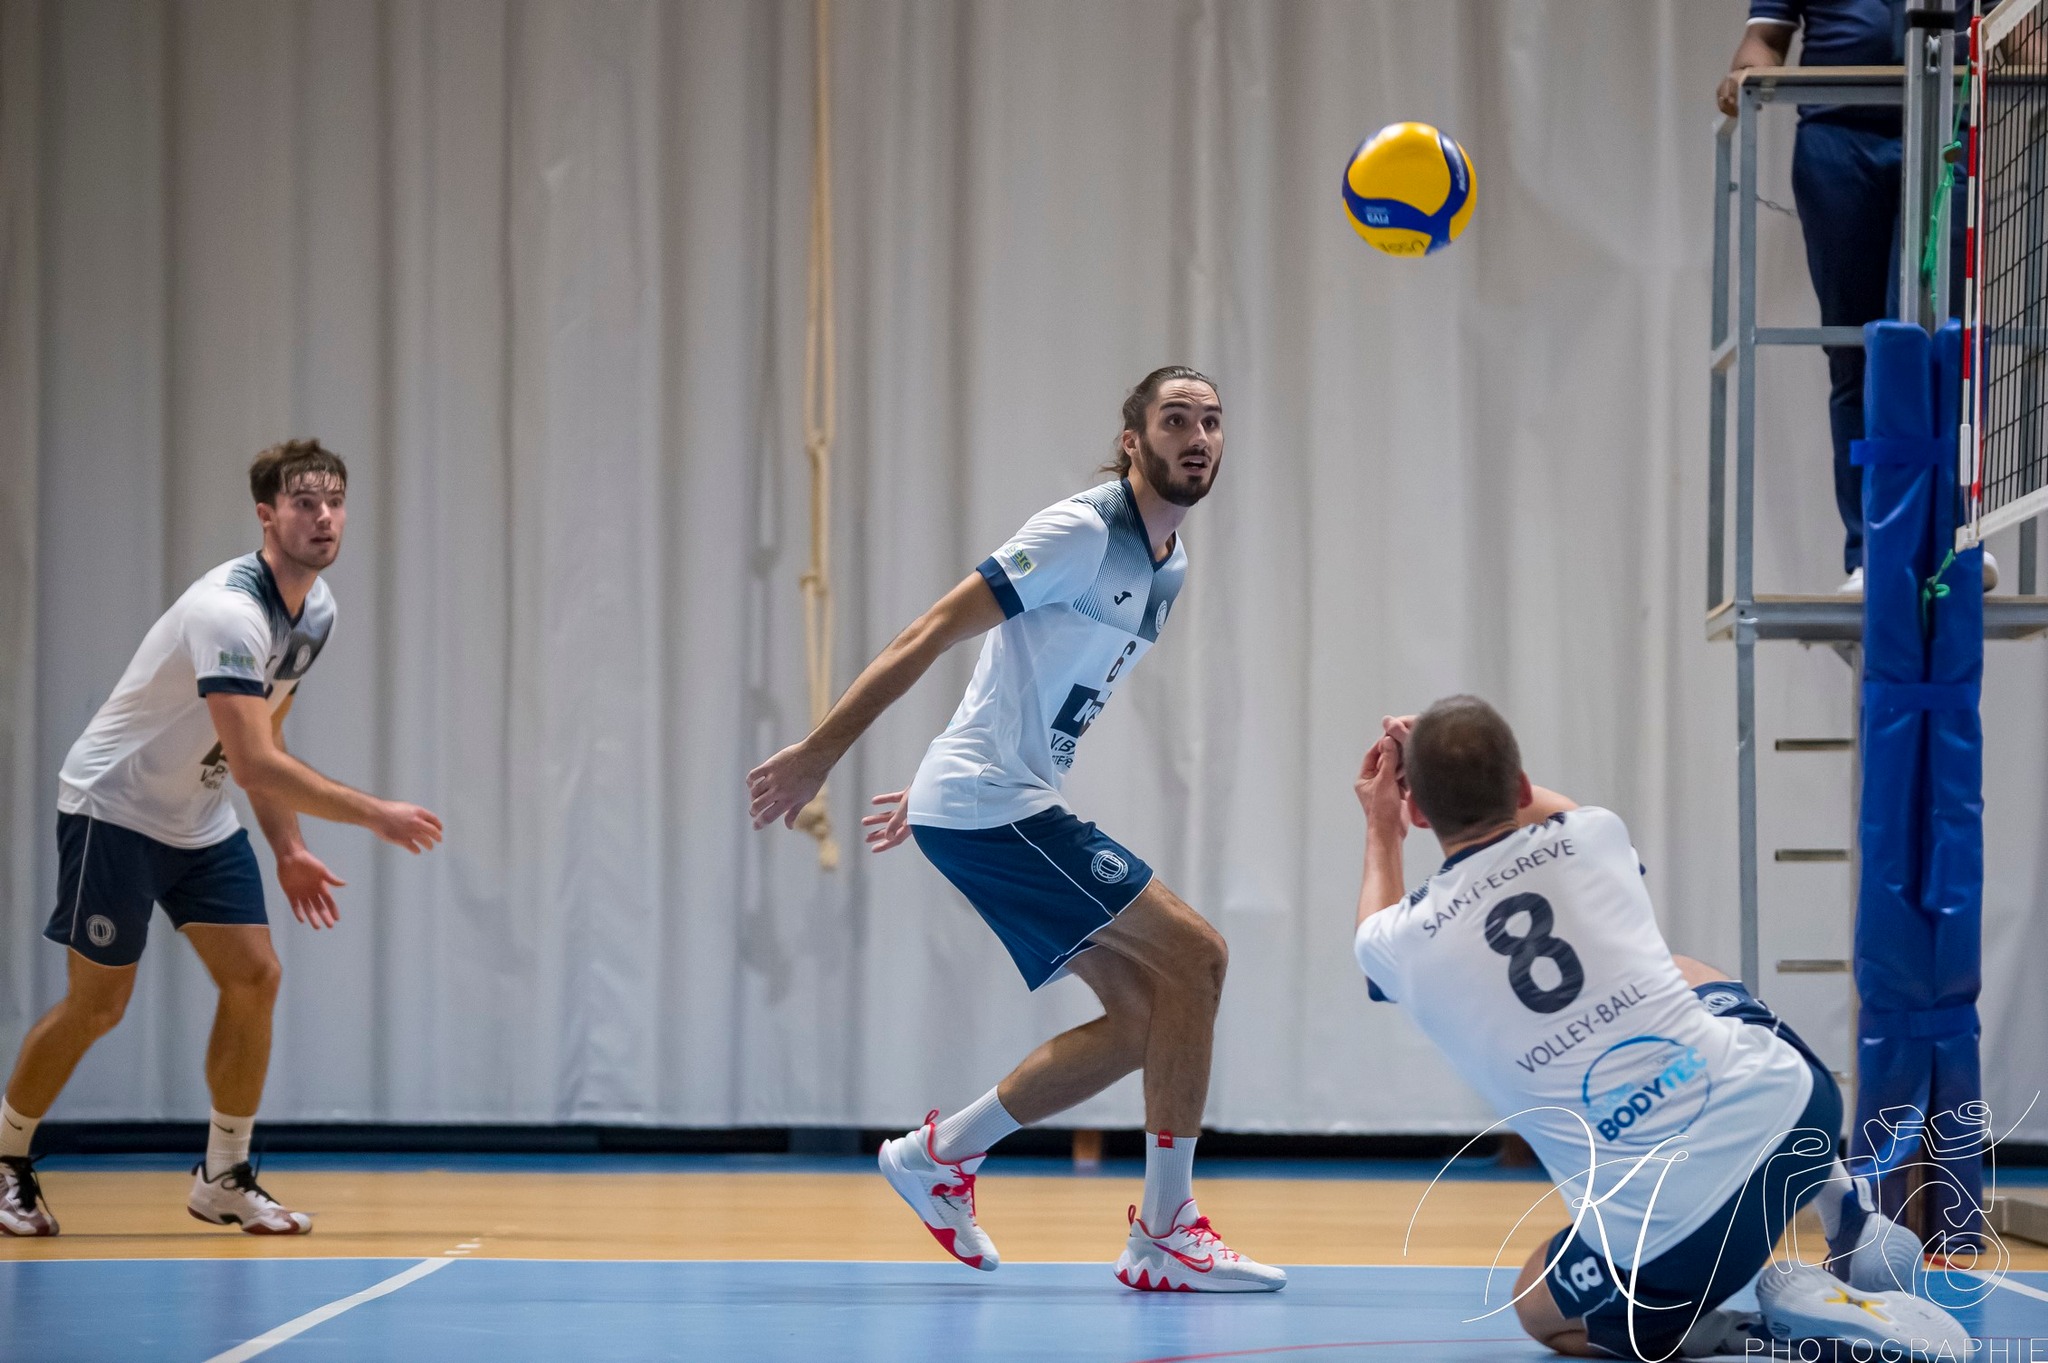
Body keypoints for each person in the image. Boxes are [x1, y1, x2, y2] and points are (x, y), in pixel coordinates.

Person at [748, 366, 1283, 1292]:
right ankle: (1165, 1229)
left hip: (990, 796)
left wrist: (934, 784)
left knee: (1148, 1020)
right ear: (1133, 440)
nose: (1197, 436)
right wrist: (823, 753)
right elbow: (931, 631)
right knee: (1198, 956)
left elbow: (1020, 676)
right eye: (1174, 420)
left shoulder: (1171, 566)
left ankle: (936, 1157)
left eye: (1212, 421)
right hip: (995, 802)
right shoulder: (1081, 530)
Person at [1351, 697, 1969, 1359]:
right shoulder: (1591, 835)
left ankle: (1765, 1331)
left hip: (1679, 1242)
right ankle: (1849, 1217)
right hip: (1802, 1116)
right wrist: (1453, 754)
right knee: (1681, 970)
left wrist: (1383, 825)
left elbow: (1370, 928)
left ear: (1419, 810)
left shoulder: (1400, 942)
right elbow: (1541, 807)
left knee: (1539, 1307)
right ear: (1522, 786)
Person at [0, 441, 444, 1238]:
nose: (324, 516)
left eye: (335, 500)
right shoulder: (229, 610)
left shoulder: (318, 609)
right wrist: (373, 812)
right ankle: (5, 1157)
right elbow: (254, 759)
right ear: (267, 514)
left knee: (256, 975)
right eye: (305, 502)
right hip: (115, 806)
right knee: (100, 1004)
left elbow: (266, 730)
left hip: (197, 815)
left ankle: (224, 1175)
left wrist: (287, 846)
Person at [1718, 2, 1992, 595]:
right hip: (1837, 139)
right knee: (1855, 351)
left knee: (1941, 344)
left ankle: (1956, 537)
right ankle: (1872, 552)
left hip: (1946, 133)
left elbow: (2014, 33)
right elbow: (1765, 39)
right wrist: (1748, 72)